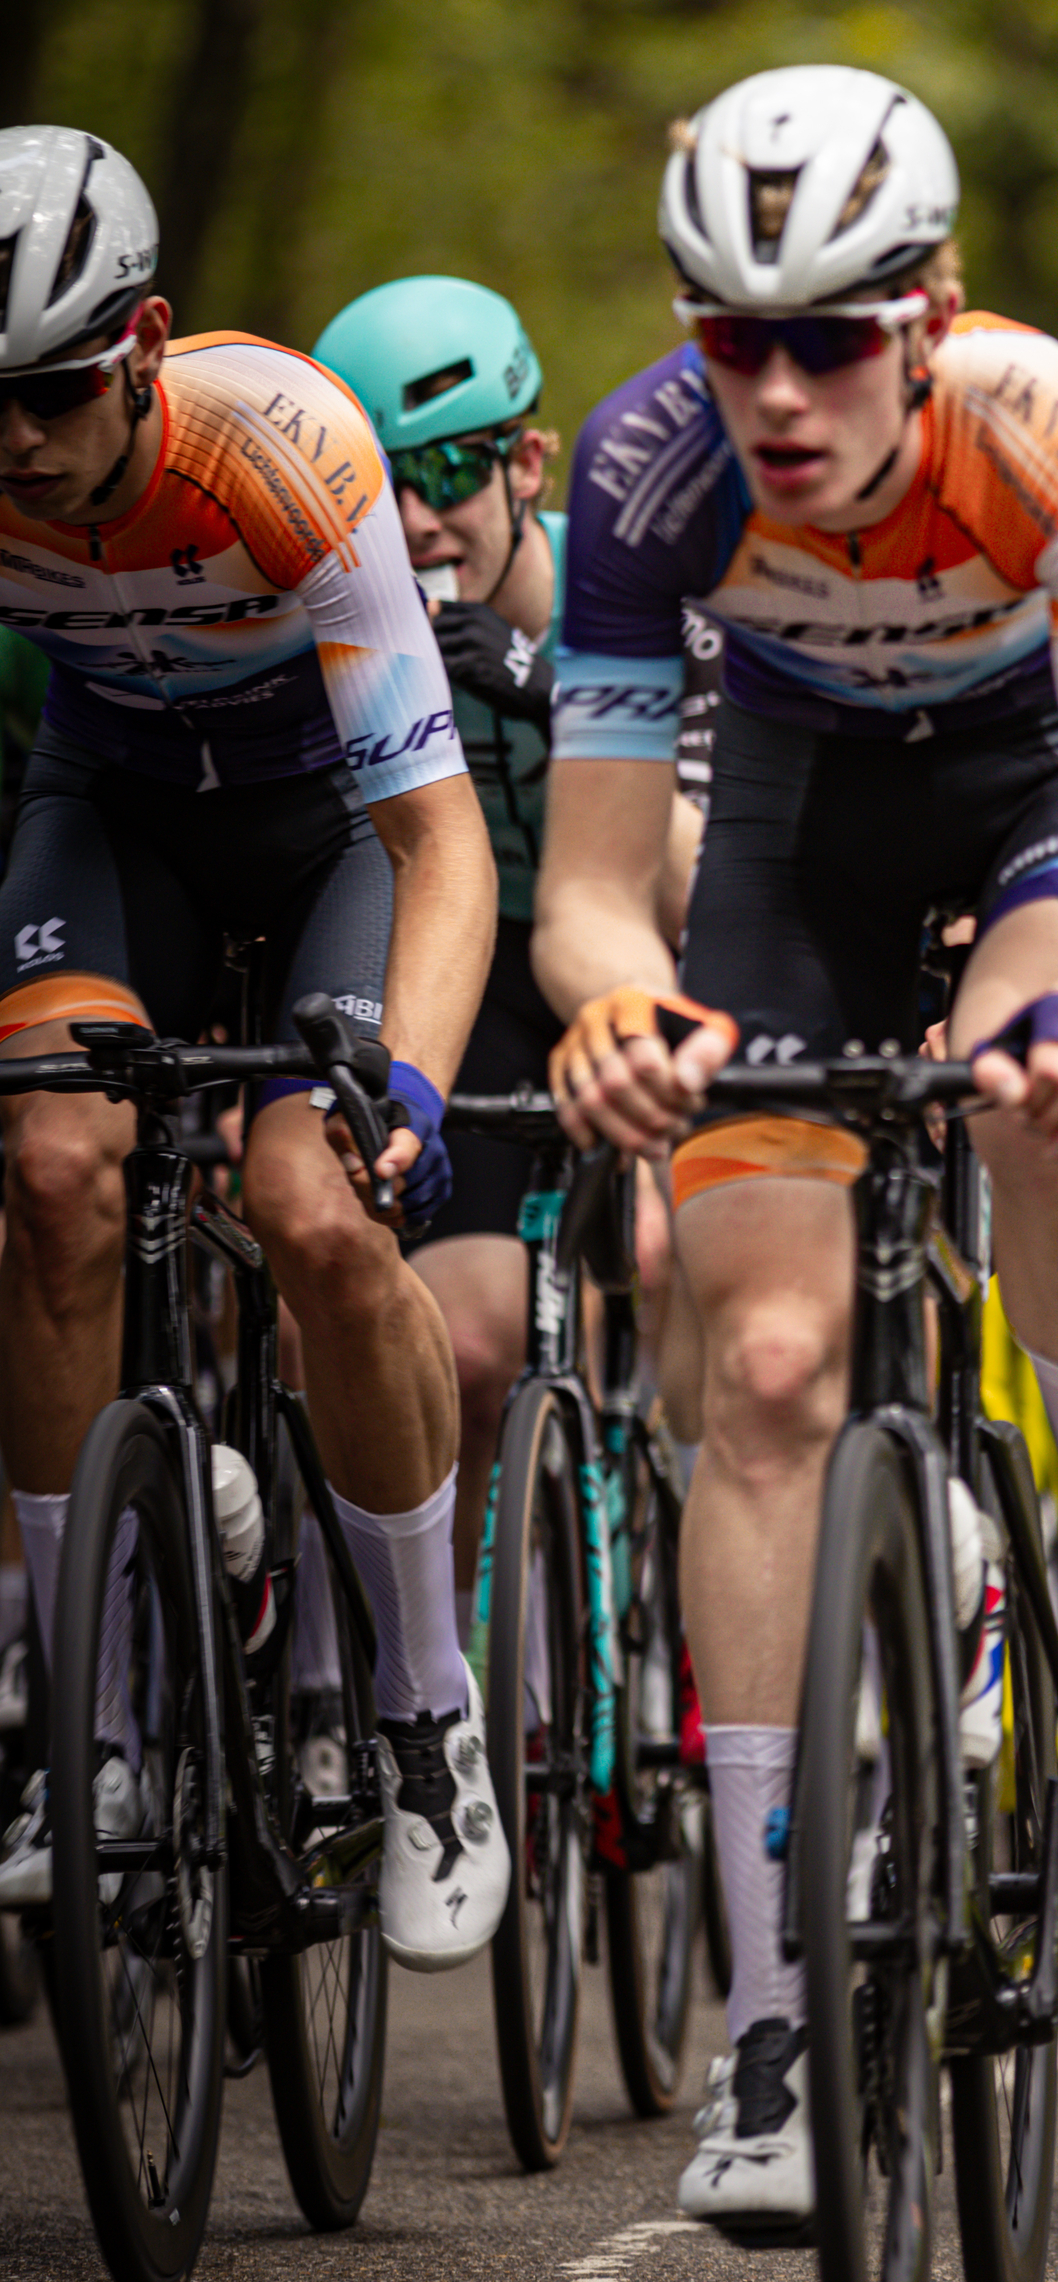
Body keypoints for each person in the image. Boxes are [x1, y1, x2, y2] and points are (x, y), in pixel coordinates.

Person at [533, 64, 1058, 2234]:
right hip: (801, 844)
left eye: (827, 334)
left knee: (1033, 1087)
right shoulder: (650, 474)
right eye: (729, 332)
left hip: (1035, 812)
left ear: (928, 312)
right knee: (751, 1371)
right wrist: (617, 1008)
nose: (776, 388)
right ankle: (768, 2036)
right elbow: (584, 882)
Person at [0, 125, 507, 1969]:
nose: (17, 444)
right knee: (55, 1168)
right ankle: (90, 1731)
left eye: (50, 394)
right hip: (110, 811)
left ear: (142, 345)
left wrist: (416, 1092)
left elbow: (439, 838)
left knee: (312, 1205)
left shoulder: (282, 451)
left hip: (324, 833)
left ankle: (429, 1715)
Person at [313, 276, 569, 1604]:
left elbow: (714, 849)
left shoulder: (629, 589)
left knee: (688, 1276)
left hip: (635, 965)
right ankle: (473, 1670)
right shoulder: (345, 623)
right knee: (471, 1352)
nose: (416, 520)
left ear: (529, 460)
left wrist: (540, 681)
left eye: (454, 469)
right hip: (476, 991)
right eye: (379, 485)